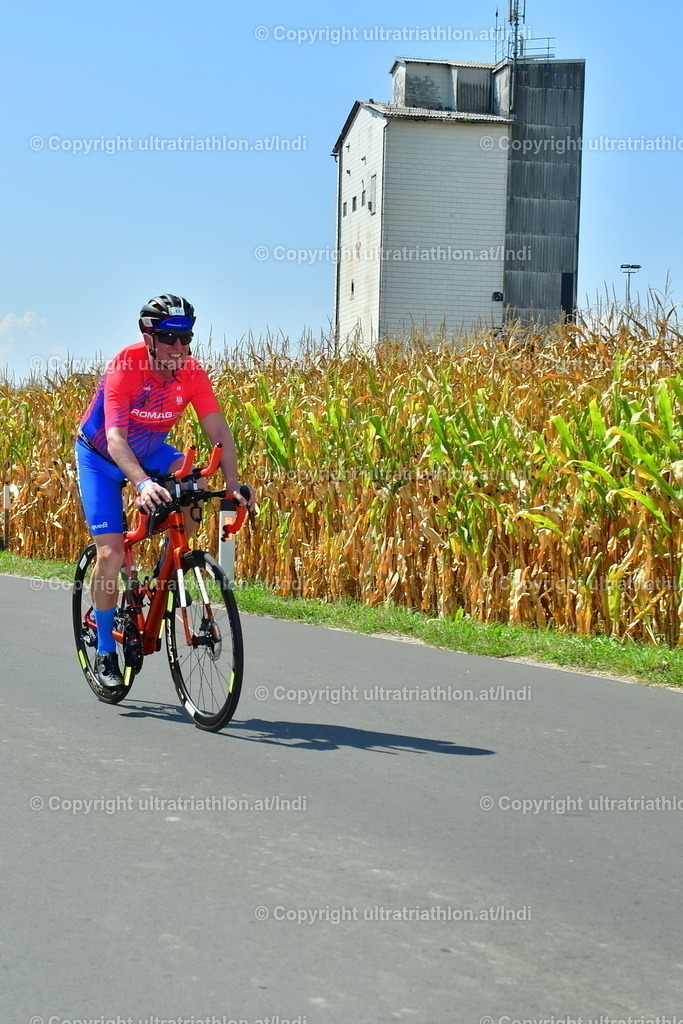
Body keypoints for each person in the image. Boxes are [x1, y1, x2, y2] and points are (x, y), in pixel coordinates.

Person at [75, 293, 255, 690]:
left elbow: (219, 433)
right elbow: (116, 438)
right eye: (170, 337)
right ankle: (105, 647)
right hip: (102, 457)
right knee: (111, 552)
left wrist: (232, 485)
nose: (179, 347)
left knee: (196, 481)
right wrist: (141, 484)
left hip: (153, 451)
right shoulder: (127, 366)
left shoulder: (191, 372)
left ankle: (169, 566)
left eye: (186, 337)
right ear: (149, 337)